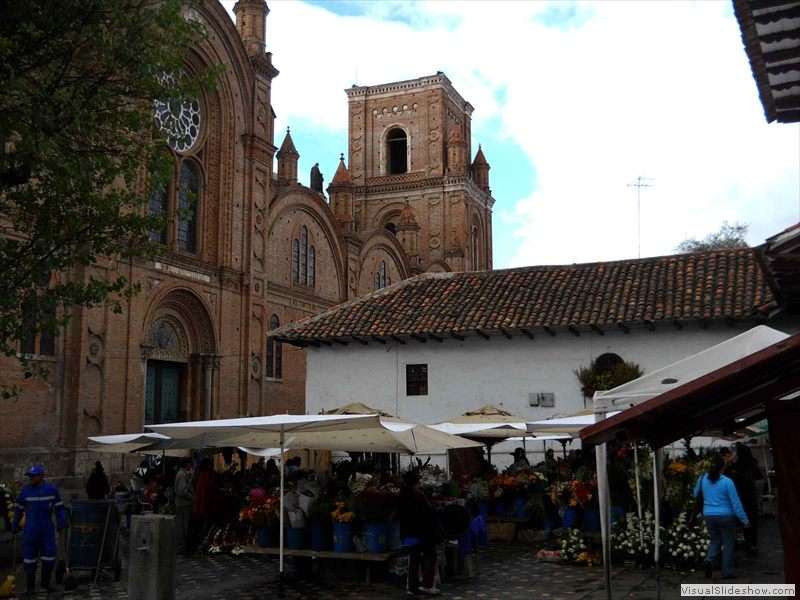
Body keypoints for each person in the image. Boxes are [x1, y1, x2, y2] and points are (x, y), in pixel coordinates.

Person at [12, 465, 67, 595]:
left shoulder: (51, 490)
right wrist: (14, 525)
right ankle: (30, 588)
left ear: (42, 476)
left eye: (33, 475)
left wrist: (61, 521)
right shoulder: (25, 492)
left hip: (46, 529)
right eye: (29, 476)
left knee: (49, 557)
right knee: (29, 559)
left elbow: (59, 508)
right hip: (30, 530)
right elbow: (18, 510)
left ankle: (45, 583)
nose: (31, 478)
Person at [694, 455, 750, 579]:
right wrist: (744, 520)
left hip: (709, 515)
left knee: (715, 540)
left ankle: (709, 560)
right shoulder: (727, 482)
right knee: (728, 543)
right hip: (726, 516)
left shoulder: (703, 478)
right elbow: (736, 503)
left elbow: (695, 493)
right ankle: (727, 572)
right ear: (723, 468)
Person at [398, 469, 441, 596]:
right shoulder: (418, 495)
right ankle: (427, 586)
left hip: (408, 532)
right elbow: (428, 512)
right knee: (430, 555)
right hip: (421, 532)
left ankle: (411, 587)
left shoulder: (402, 494)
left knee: (413, 558)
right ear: (416, 482)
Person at [729, 443, 762, 555]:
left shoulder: (736, 466)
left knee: (743, 520)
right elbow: (759, 477)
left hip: (741, 496)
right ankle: (752, 543)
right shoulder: (753, 462)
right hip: (751, 496)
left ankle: (747, 543)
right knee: (752, 520)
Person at [174, 459, 194, 553]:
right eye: (190, 464)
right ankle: (182, 546)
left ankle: (182, 546)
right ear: (187, 464)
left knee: (182, 525)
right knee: (183, 525)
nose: (191, 467)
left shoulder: (183, 474)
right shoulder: (181, 474)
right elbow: (182, 491)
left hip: (182, 503)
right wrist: (192, 497)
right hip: (183, 504)